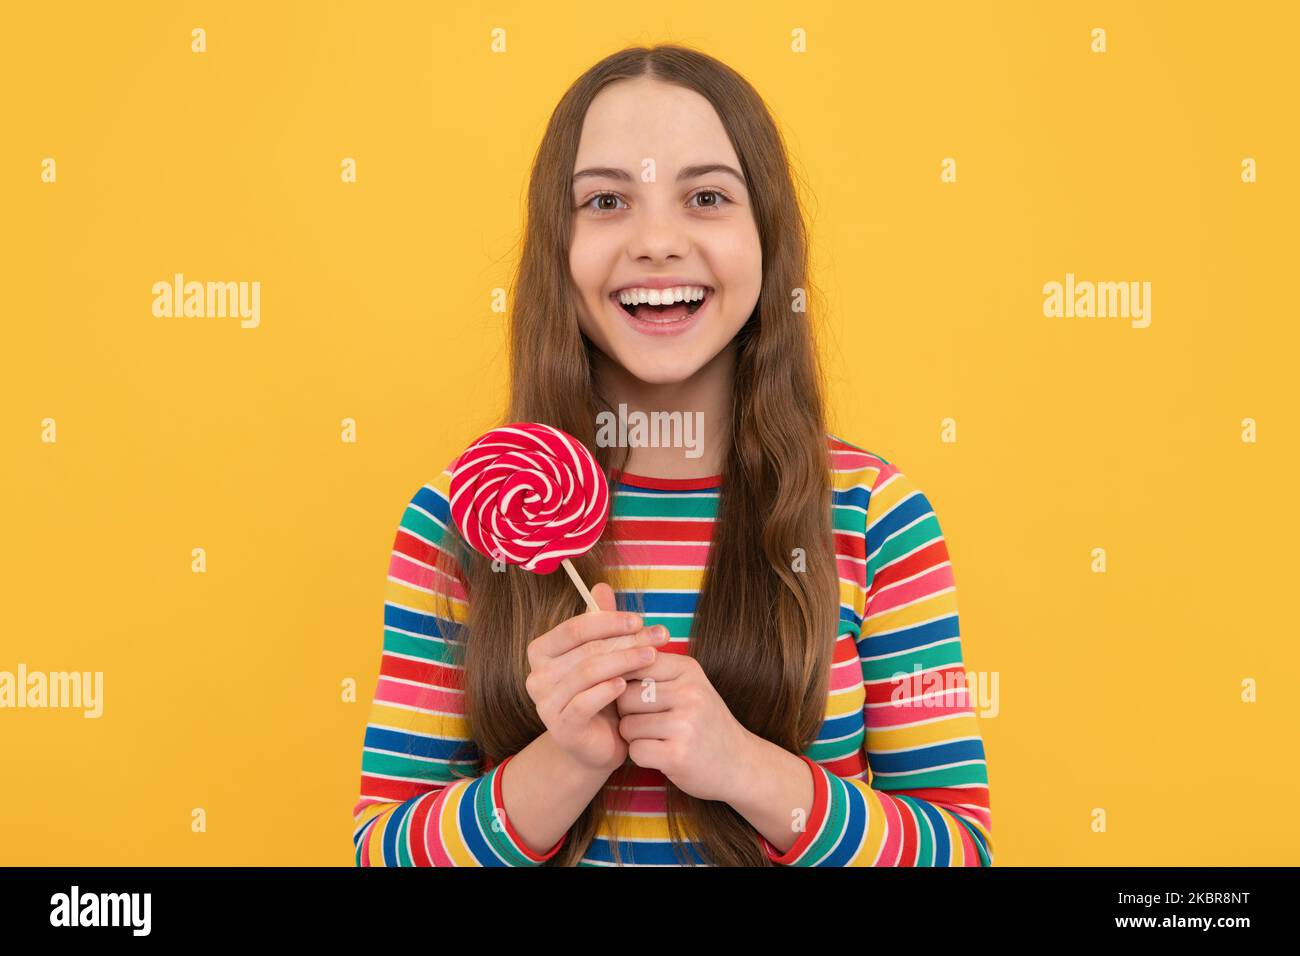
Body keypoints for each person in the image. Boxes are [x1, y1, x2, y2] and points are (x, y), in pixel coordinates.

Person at [351, 43, 992, 866]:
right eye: (608, 199)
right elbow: (380, 854)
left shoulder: (874, 515)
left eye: (706, 197)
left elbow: (962, 854)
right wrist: (564, 764)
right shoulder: (470, 513)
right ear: (558, 247)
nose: (657, 240)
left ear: (767, 239)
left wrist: (742, 767)